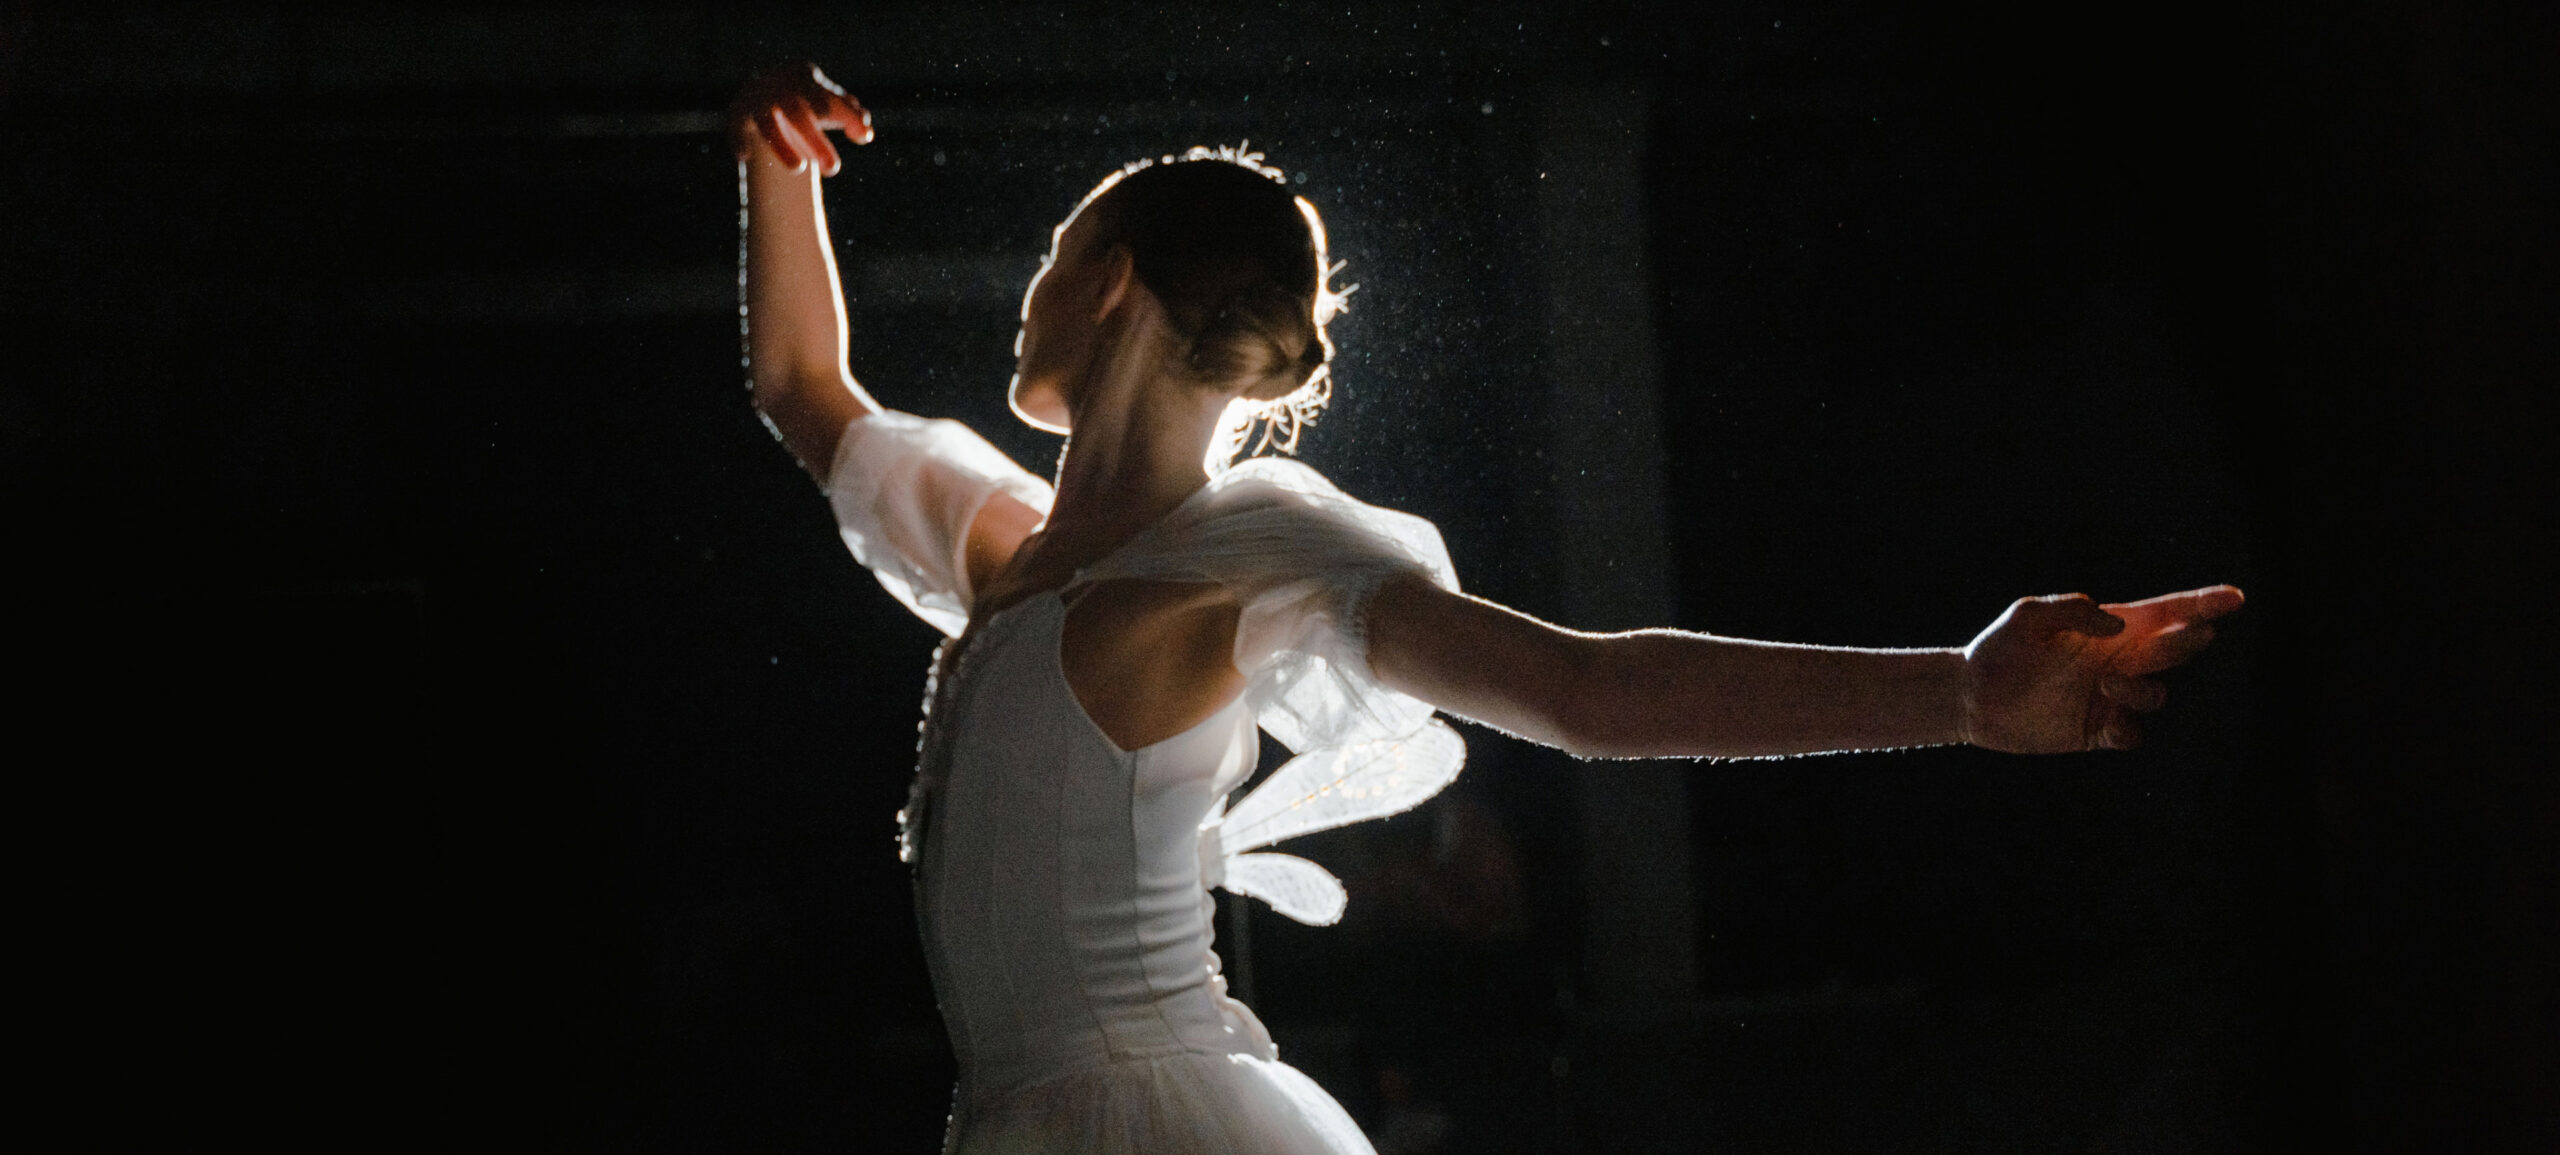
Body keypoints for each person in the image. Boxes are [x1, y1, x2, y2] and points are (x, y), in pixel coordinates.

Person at [728, 63, 2244, 1155]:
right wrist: (777, 166)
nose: (1029, 297)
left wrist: (1961, 693)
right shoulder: (1011, 557)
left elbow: (1586, 689)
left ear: (1110, 284)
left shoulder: (1253, 548)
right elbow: (807, 390)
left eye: (1050, 265)